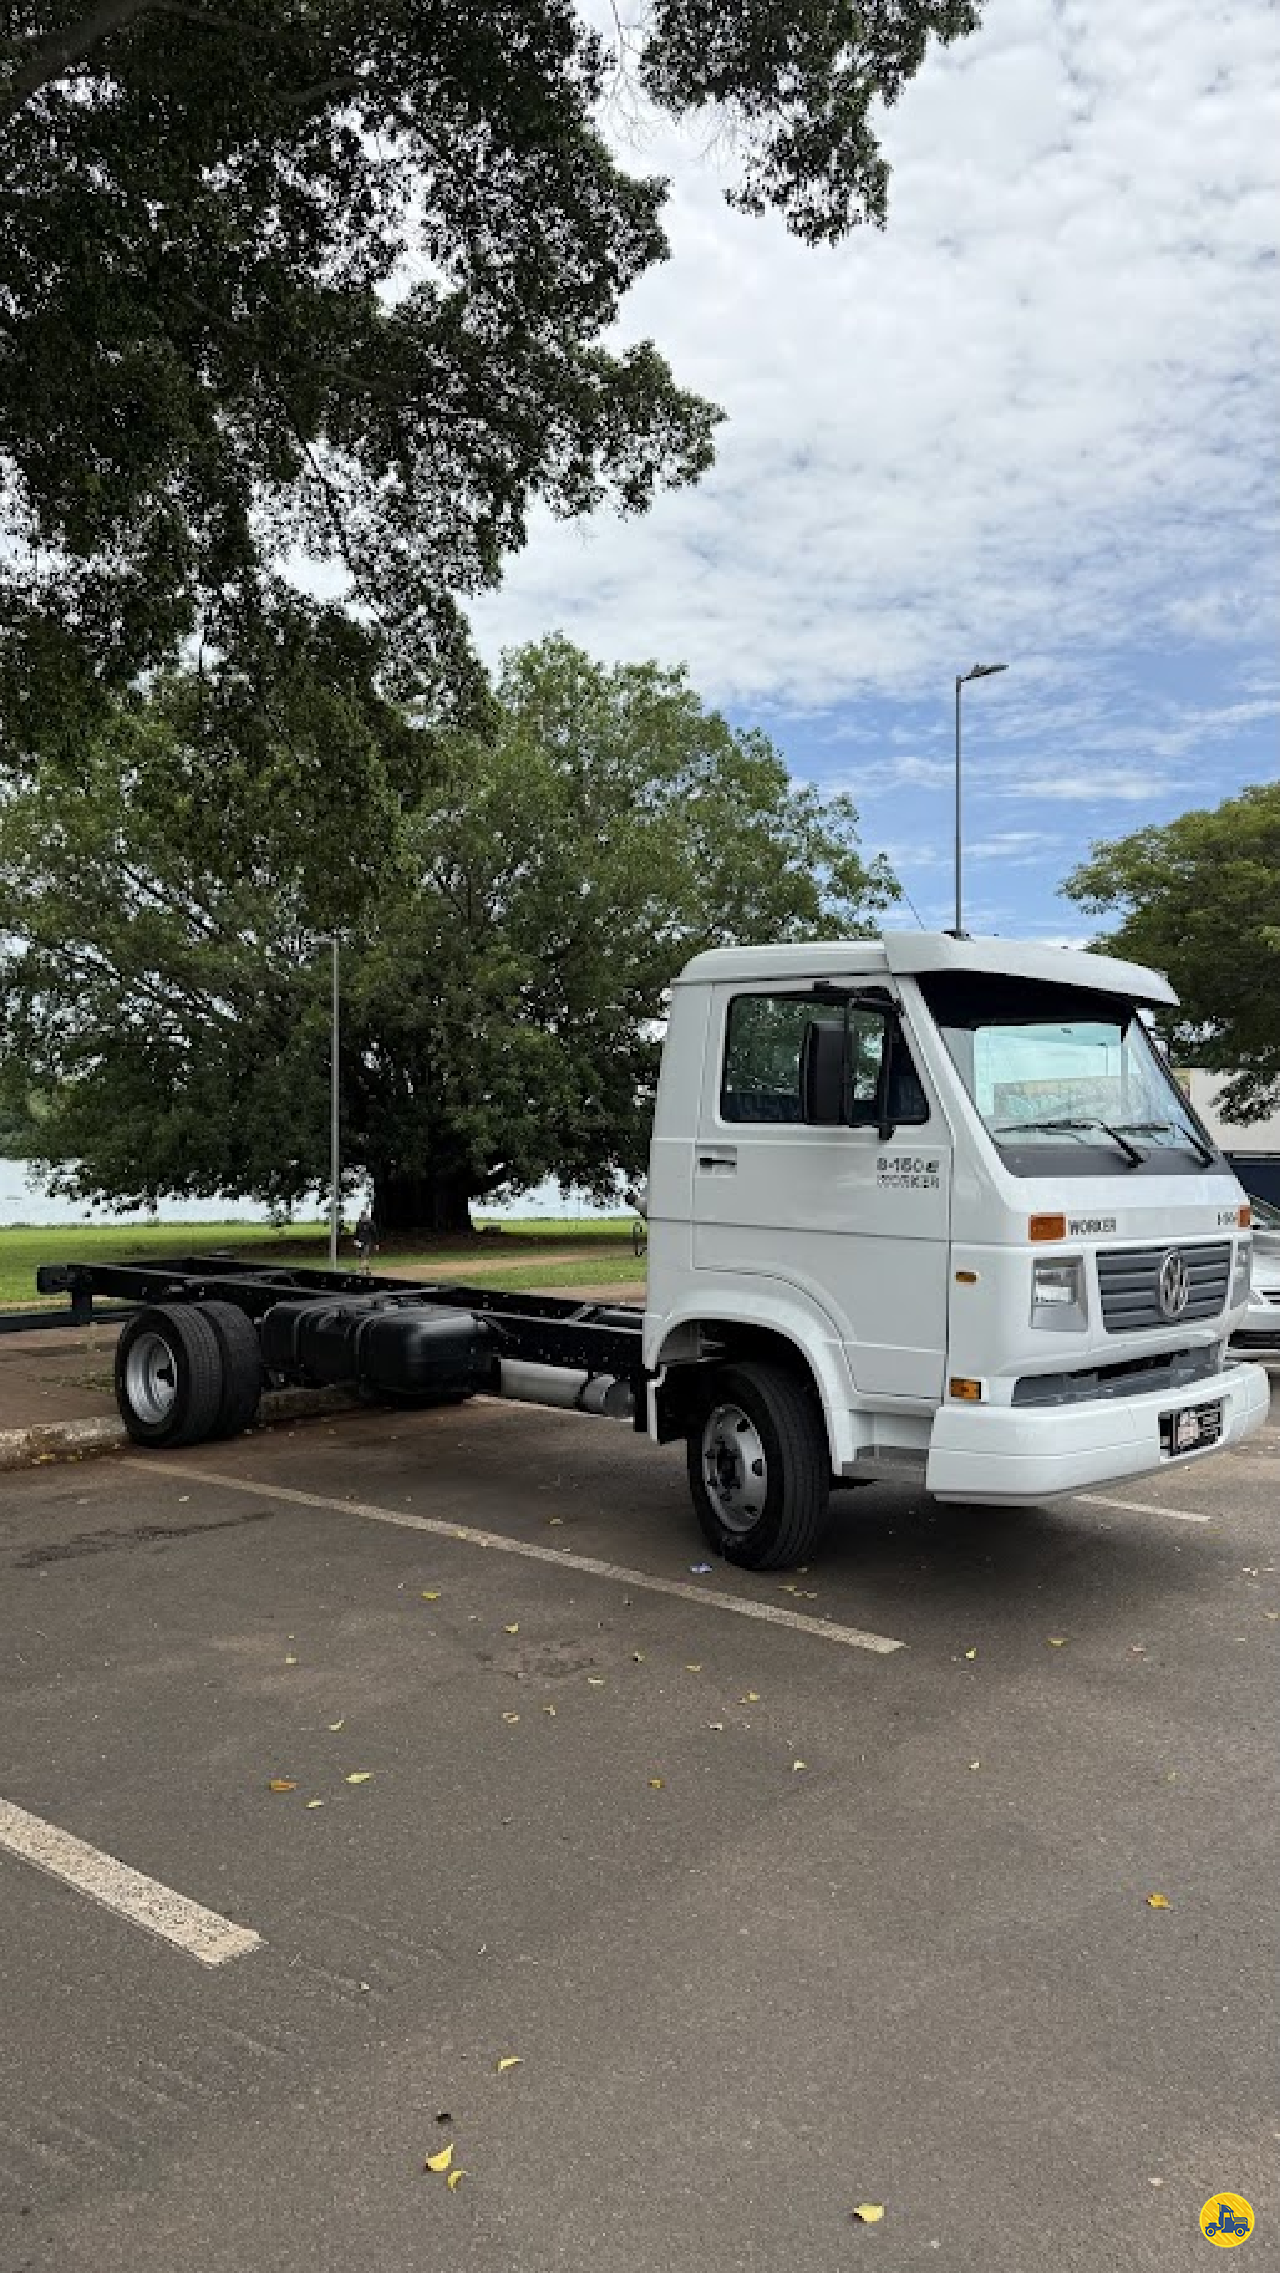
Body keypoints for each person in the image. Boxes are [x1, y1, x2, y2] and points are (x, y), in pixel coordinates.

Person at [353, 1205, 377, 1275]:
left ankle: (361, 1270)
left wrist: (376, 1243)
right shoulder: (359, 1223)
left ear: (366, 1216)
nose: (362, 1218)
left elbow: (374, 1233)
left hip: (367, 1242)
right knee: (360, 1256)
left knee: (365, 1255)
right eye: (361, 1216)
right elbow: (356, 1233)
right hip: (359, 1242)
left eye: (363, 1216)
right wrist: (355, 1240)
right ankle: (367, 1269)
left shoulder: (370, 1223)